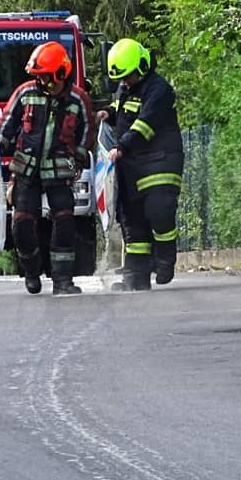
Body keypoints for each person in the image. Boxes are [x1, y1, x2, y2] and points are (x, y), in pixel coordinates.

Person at [0, 41, 96, 295]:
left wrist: (78, 161)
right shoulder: (25, 93)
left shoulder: (78, 99)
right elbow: (5, 129)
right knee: (21, 226)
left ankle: (63, 281)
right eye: (38, 76)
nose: (41, 81)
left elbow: (87, 134)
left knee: (65, 224)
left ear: (61, 73)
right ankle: (32, 271)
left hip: (61, 173)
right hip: (26, 173)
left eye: (45, 76)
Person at [97, 37, 184, 291]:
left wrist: (121, 146)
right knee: (132, 221)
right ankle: (135, 277)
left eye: (128, 77)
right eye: (121, 79)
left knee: (159, 211)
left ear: (143, 66)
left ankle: (165, 260)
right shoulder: (127, 86)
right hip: (133, 165)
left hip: (161, 161)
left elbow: (144, 124)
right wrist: (108, 114)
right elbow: (121, 107)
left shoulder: (160, 90)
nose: (125, 83)